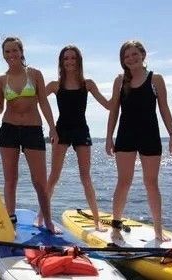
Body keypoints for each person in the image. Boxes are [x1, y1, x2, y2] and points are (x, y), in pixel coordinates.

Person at [106, 40, 172, 242]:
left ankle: (158, 230)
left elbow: (164, 108)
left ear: (143, 54)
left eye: (134, 54)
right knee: (124, 182)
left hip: (150, 135)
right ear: (123, 60)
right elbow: (114, 112)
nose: (131, 58)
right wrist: (109, 137)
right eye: (126, 56)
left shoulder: (156, 79)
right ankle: (116, 227)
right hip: (126, 136)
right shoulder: (120, 81)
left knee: (151, 183)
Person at [34, 45, 110, 231]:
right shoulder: (54, 85)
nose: (69, 61)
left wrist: (123, 87)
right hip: (61, 131)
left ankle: (96, 220)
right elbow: (35, 101)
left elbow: (108, 105)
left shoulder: (88, 84)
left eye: (73, 58)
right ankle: (40, 216)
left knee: (86, 177)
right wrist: (50, 127)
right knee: (54, 176)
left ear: (78, 61)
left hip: (81, 130)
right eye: (66, 58)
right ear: (61, 62)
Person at [0, 37, 60, 234]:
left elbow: (44, 103)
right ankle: (10, 219)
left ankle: (47, 221)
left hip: (33, 130)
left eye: (15, 50)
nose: (11, 55)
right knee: (10, 179)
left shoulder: (35, 74)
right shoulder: (1, 80)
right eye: (7, 52)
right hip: (9, 130)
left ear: (21, 51)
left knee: (39, 180)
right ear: (3, 55)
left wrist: (52, 128)